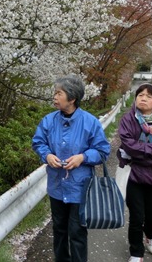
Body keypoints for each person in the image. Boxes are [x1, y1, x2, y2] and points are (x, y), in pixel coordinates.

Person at [32, 75, 111, 262]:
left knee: (77, 231)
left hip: (80, 188)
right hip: (56, 186)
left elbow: (103, 151)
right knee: (59, 229)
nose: (54, 97)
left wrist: (82, 158)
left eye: (59, 93)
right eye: (55, 93)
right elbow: (38, 142)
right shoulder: (48, 121)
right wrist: (47, 155)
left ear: (72, 98)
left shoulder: (90, 122)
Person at [117, 83, 152, 262]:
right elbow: (128, 145)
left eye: (149, 96)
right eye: (140, 94)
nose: (143, 98)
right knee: (136, 216)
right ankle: (136, 252)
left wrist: (139, 152)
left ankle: (150, 235)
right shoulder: (128, 120)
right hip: (133, 176)